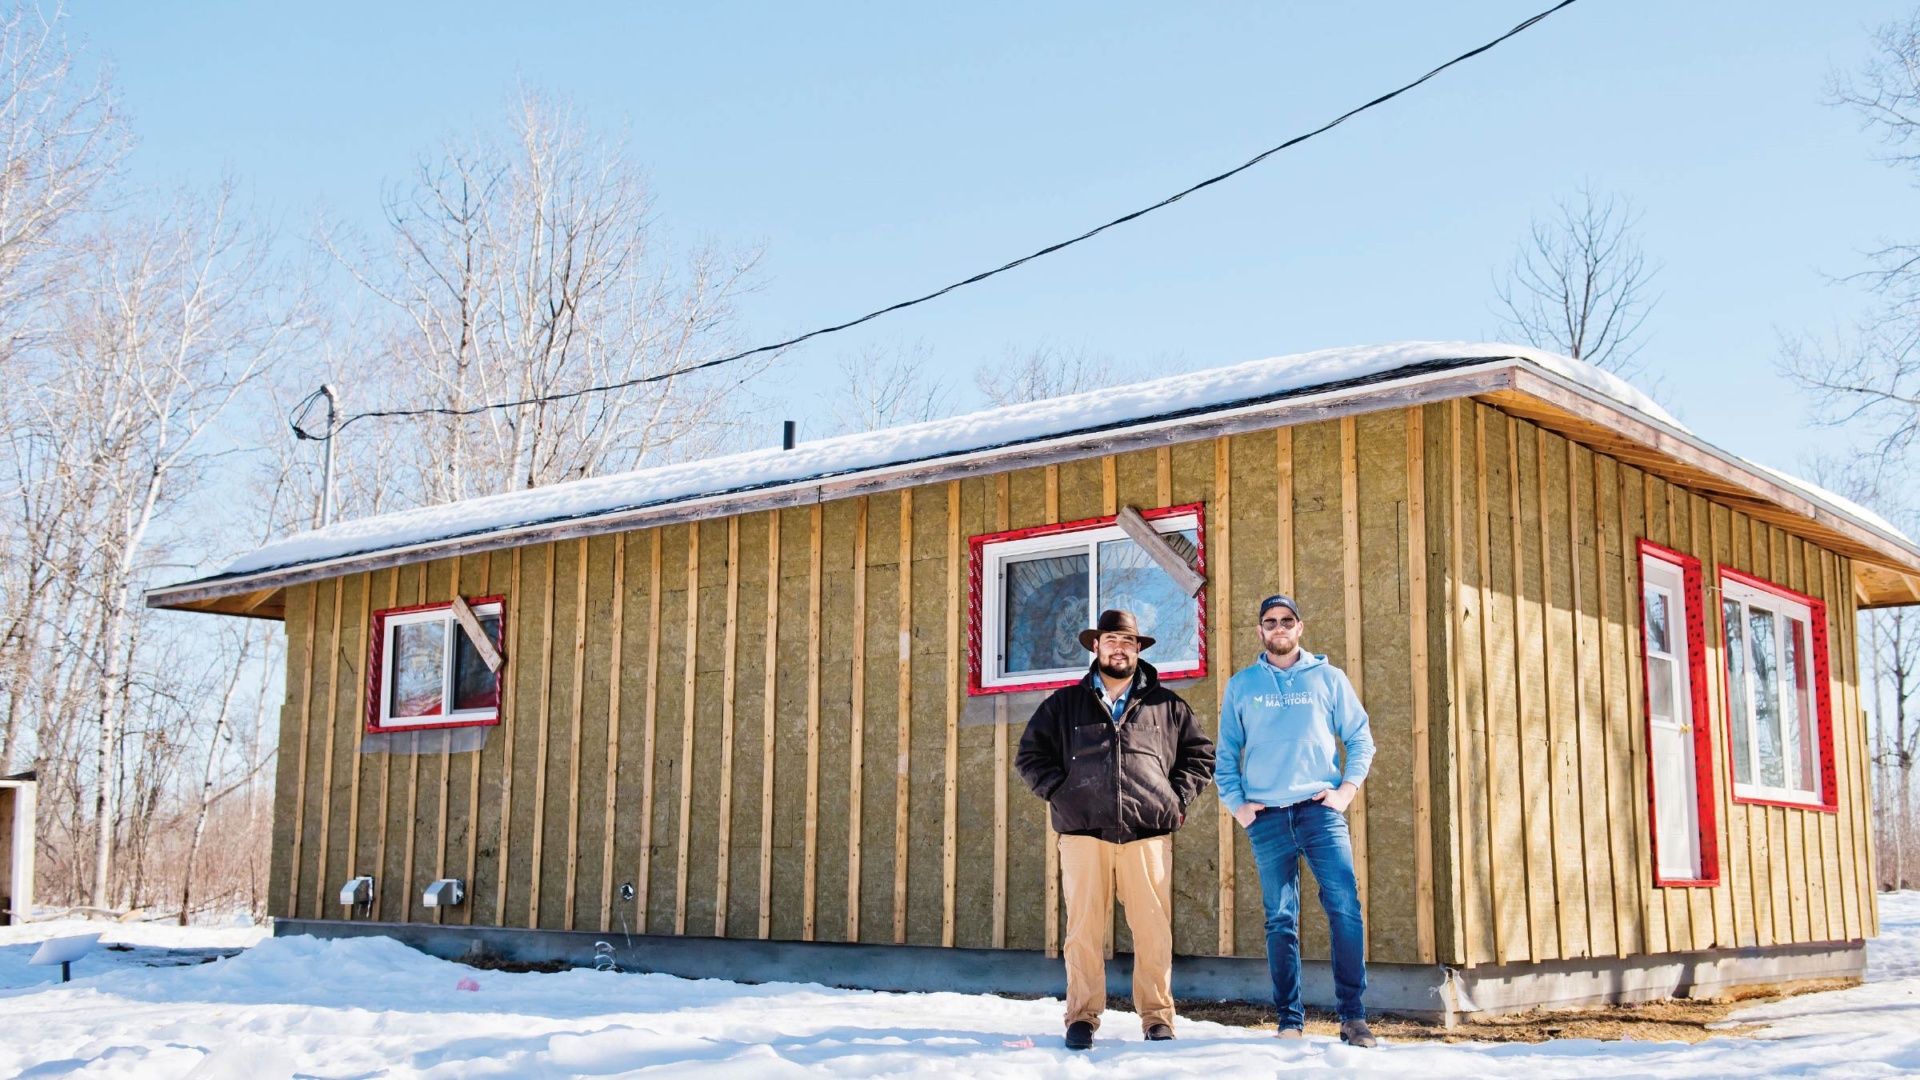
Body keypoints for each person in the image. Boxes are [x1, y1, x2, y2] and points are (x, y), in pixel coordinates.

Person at [1015, 608, 1216, 1051]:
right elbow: (1030, 757)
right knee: (1083, 930)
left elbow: (1200, 758)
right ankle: (1082, 1017)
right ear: (1096, 646)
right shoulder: (1064, 704)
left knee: (1153, 931)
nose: (1119, 648)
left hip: (1147, 835)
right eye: (1111, 640)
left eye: (1128, 641)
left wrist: (1175, 800)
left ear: (1138, 649)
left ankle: (1157, 1017)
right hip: (1084, 835)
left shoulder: (1168, 706)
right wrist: (1060, 793)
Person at [1216, 594, 1378, 1047]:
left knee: (1344, 907)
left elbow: (1360, 739)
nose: (1279, 628)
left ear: (1300, 628)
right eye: (1270, 622)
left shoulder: (1328, 678)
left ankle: (1353, 1016)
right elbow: (1225, 753)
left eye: (1287, 621)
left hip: (1319, 812)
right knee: (1280, 918)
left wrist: (1345, 792)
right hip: (1266, 818)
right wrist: (1239, 806)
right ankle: (1290, 1019)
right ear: (1260, 631)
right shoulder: (1242, 685)